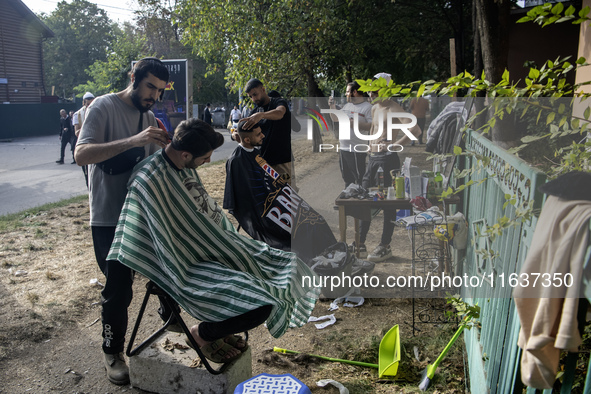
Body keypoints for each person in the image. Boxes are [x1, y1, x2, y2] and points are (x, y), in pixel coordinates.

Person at [108, 118, 319, 363]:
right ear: (185, 154)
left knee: (290, 267)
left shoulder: (184, 167)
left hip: (216, 248)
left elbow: (203, 214)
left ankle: (218, 327)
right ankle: (203, 334)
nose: (208, 161)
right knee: (261, 304)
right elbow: (154, 242)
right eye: (205, 157)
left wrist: (222, 244)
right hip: (186, 266)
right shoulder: (148, 181)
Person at [74, 57, 171, 385]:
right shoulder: (101, 107)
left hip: (141, 214)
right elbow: (81, 154)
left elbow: (155, 164)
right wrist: (134, 140)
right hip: (108, 217)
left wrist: (183, 153)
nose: (153, 96)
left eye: (159, 91)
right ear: (134, 77)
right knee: (118, 289)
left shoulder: (149, 116)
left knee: (170, 267)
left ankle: (172, 326)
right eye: (149, 87)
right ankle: (112, 352)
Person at [224, 120, 337, 262]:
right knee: (306, 228)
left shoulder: (254, 152)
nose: (263, 136)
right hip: (265, 211)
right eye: (258, 134)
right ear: (247, 139)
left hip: (278, 198)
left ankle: (331, 254)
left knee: (317, 219)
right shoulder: (236, 161)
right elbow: (242, 198)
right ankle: (320, 259)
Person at [358, 74, 422, 261]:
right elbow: (372, 130)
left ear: (386, 89)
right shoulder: (375, 107)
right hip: (373, 159)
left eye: (375, 90)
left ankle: (385, 245)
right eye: (370, 90)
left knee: (388, 205)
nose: (370, 93)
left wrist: (395, 144)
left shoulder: (394, 108)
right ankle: (360, 244)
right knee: (364, 200)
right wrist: (370, 148)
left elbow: (416, 130)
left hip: (388, 161)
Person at [241, 78, 296, 188]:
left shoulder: (278, 102)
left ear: (263, 89)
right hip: (264, 163)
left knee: (287, 195)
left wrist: (262, 115)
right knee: (269, 198)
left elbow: (280, 113)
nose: (253, 99)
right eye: (250, 96)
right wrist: (236, 135)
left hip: (282, 161)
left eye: (255, 94)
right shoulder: (254, 112)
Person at [328, 81, 373, 187]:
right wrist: (332, 106)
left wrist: (355, 124)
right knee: (347, 179)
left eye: (348, 91)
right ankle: (348, 200)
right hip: (344, 149)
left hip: (357, 150)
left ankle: (360, 201)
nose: (346, 94)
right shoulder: (347, 106)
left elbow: (372, 125)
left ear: (355, 92)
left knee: (359, 178)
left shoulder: (367, 107)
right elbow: (335, 119)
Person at [73, 91, 95, 187]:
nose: (90, 106)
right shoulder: (77, 114)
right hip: (85, 145)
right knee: (87, 172)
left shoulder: (98, 111)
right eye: (88, 103)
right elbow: (76, 132)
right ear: (84, 103)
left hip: (96, 144)